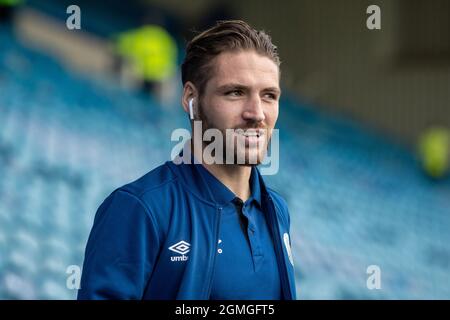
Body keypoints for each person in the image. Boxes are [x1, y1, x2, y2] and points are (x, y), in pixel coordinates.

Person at [78, 20, 296, 300]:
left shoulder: (277, 211)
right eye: (235, 92)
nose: (257, 113)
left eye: (269, 95)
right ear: (191, 98)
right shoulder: (140, 208)